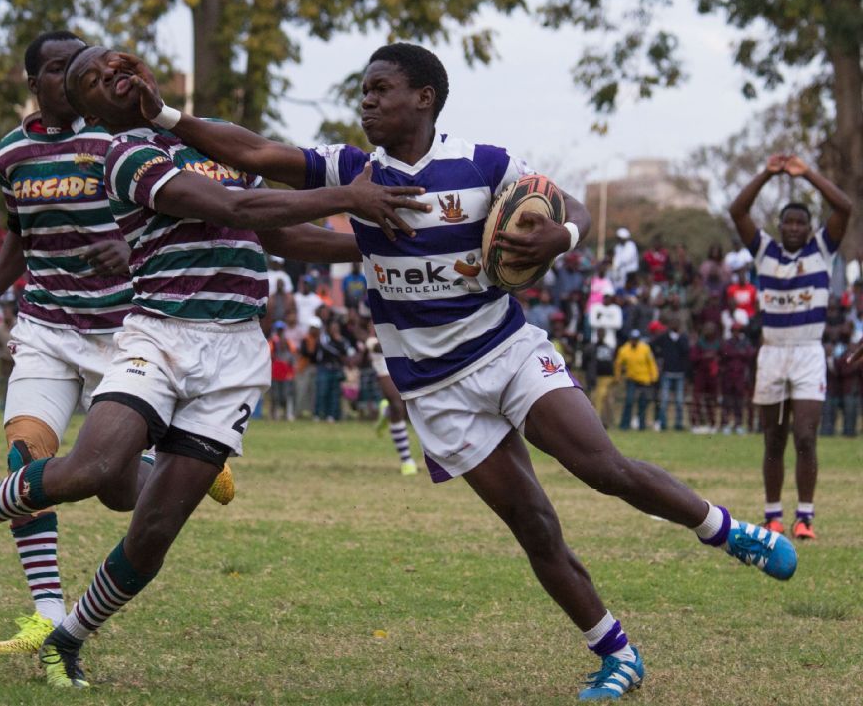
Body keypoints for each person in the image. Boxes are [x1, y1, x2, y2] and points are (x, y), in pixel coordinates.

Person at [116, 42, 797, 699]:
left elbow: (572, 207)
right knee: (532, 522)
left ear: (425, 96)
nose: (367, 100)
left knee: (603, 466)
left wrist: (563, 235)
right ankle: (616, 653)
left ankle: (727, 530)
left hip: (506, 350)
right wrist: (165, 117)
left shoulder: (486, 162)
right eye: (364, 90)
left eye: (381, 89)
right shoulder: (353, 170)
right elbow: (254, 150)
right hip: (434, 388)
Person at [0, 44, 428, 688]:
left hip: (238, 355)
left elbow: (274, 235)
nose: (111, 73)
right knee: (95, 467)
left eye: (115, 61)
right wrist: (351, 197)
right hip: (158, 336)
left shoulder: (205, 142)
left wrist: (375, 252)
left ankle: (67, 638)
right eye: (92, 79)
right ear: (88, 108)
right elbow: (237, 210)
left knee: (152, 532)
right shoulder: (124, 153)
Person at [729, 154, 853, 540]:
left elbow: (844, 207)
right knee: (774, 437)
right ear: (779, 226)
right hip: (773, 352)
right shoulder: (765, 251)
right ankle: (773, 516)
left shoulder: (821, 250)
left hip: (807, 352)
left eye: (801, 222)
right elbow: (738, 210)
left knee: (805, 435)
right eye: (789, 222)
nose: (795, 227)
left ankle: (805, 517)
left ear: (810, 227)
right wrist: (767, 172)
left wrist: (807, 174)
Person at [369, 323, 417, 475]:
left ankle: (386, 412)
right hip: (381, 352)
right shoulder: (367, 301)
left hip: (409, 348)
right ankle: (406, 460)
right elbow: (358, 327)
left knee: (414, 404)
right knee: (397, 404)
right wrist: (369, 342)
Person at [651, 317, 690, 432]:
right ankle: (663, 423)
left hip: (679, 373)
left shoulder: (683, 338)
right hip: (667, 372)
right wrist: (659, 354)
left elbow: (686, 351)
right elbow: (652, 344)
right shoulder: (664, 337)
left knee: (679, 400)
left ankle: (678, 424)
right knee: (664, 400)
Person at [615, 329, 658, 431]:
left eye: (636, 339)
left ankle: (641, 425)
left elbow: (651, 363)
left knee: (643, 402)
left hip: (644, 379)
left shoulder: (645, 348)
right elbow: (618, 364)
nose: (634, 341)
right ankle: (624, 424)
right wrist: (618, 377)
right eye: (633, 339)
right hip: (632, 379)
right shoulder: (624, 350)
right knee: (629, 401)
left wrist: (654, 376)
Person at [690, 321, 722, 434]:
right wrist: (705, 356)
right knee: (697, 399)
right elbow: (693, 358)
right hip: (701, 374)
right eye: (707, 329)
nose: (708, 331)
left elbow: (723, 358)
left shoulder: (718, 344)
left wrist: (717, 359)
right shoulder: (699, 343)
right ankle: (695, 424)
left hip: (713, 375)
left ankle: (712, 424)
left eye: (711, 329)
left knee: (711, 400)